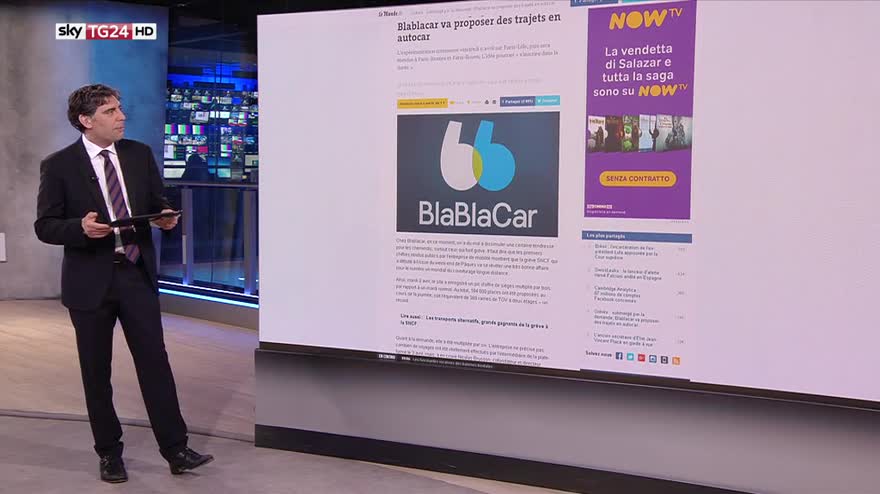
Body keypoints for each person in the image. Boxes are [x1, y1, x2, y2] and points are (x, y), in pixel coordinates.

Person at [34, 84, 213, 483]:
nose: (122, 117)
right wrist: (79, 228)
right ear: (86, 120)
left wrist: (165, 216)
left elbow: (157, 202)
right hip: (89, 282)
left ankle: (176, 449)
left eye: (120, 109)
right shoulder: (59, 165)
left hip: (136, 274)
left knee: (155, 363)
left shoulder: (138, 154)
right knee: (96, 372)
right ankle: (109, 454)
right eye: (111, 111)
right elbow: (45, 225)